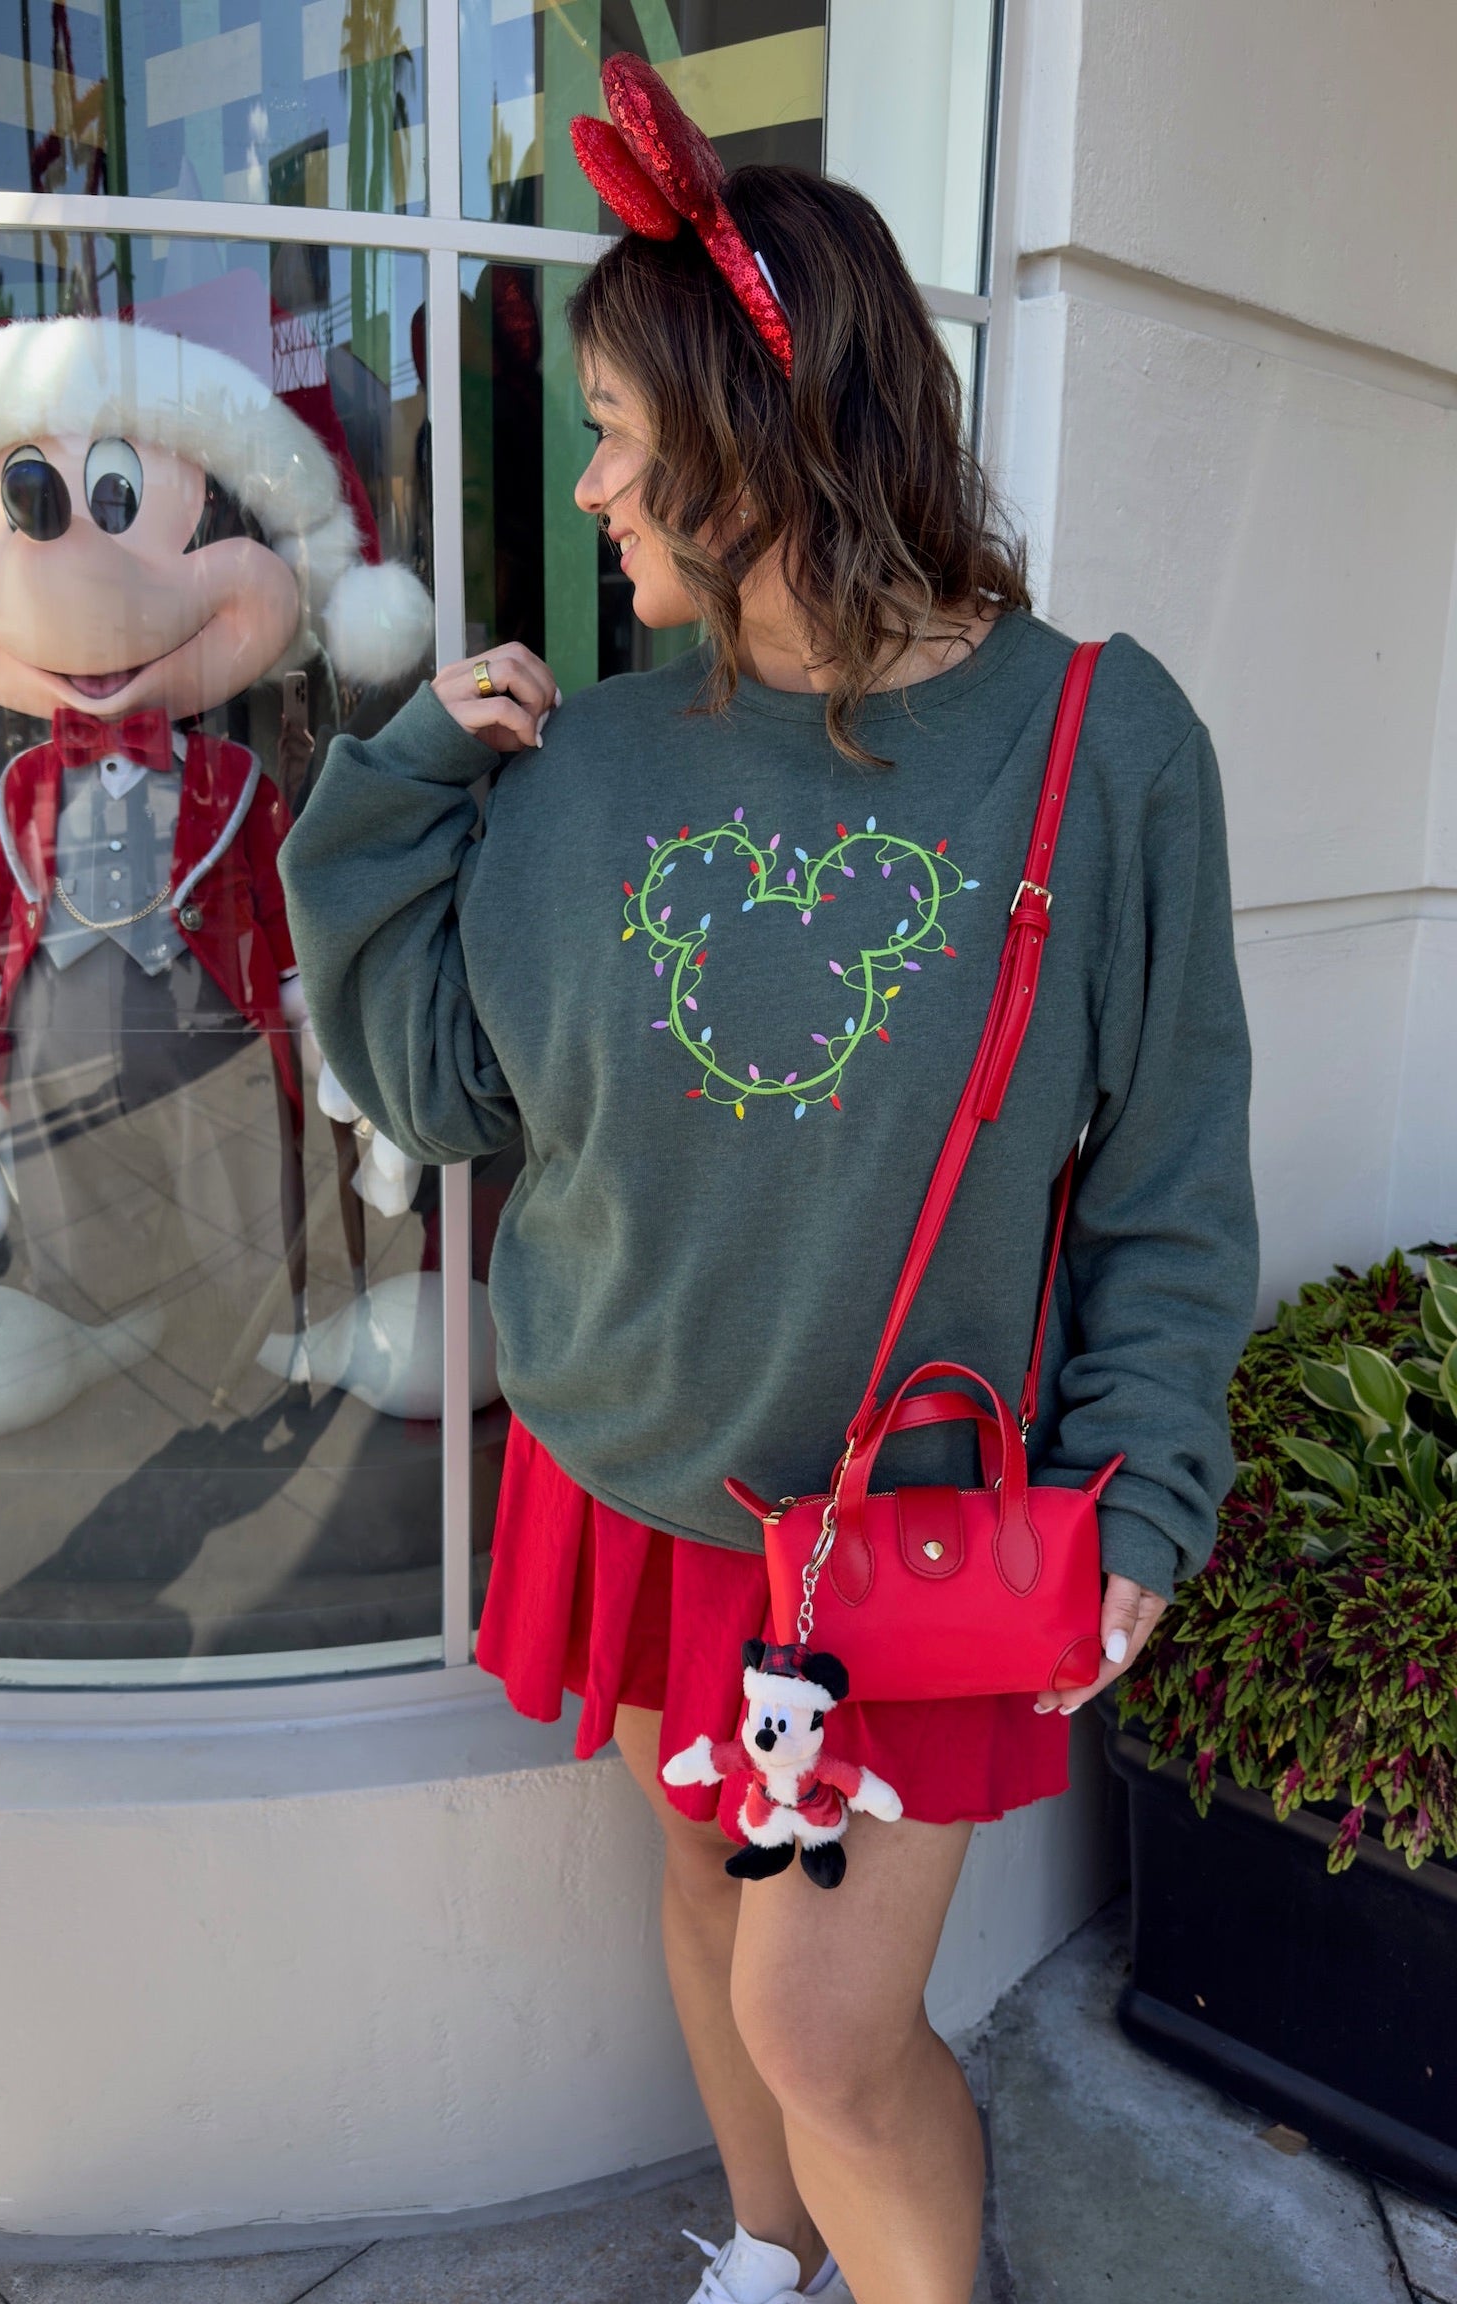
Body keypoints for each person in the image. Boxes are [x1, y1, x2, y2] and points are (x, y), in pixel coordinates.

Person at [280, 58, 1257, 2304]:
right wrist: (405, 787)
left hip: (905, 1528)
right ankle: (762, 2257)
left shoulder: (1104, 751)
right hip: (642, 1487)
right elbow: (431, 1086)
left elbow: (1171, 1175)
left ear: (771, 432)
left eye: (629, 430)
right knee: (716, 1910)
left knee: (825, 2019)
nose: (598, 487)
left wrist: (1153, 1470)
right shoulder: (593, 766)